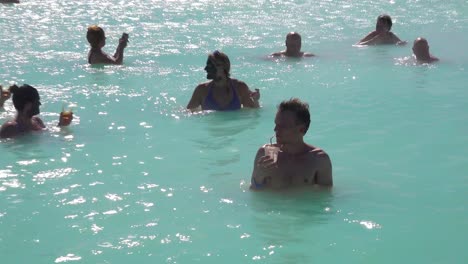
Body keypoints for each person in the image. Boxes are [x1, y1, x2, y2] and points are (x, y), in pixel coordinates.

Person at [250, 98, 332, 190]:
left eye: (283, 126)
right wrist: (259, 175)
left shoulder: (319, 160)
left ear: (301, 129)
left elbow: (326, 196)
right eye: (276, 124)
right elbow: (254, 192)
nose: (275, 129)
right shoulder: (264, 154)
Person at [186, 50, 260, 111]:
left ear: (223, 67)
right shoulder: (201, 90)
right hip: (212, 128)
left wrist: (256, 101)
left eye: (210, 66)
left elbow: (253, 112)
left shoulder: (240, 87)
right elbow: (190, 114)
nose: (205, 69)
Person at [0, 84, 72, 139]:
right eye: (37, 101)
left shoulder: (37, 121)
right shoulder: (10, 128)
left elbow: (48, 136)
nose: (39, 104)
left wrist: (61, 124)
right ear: (28, 105)